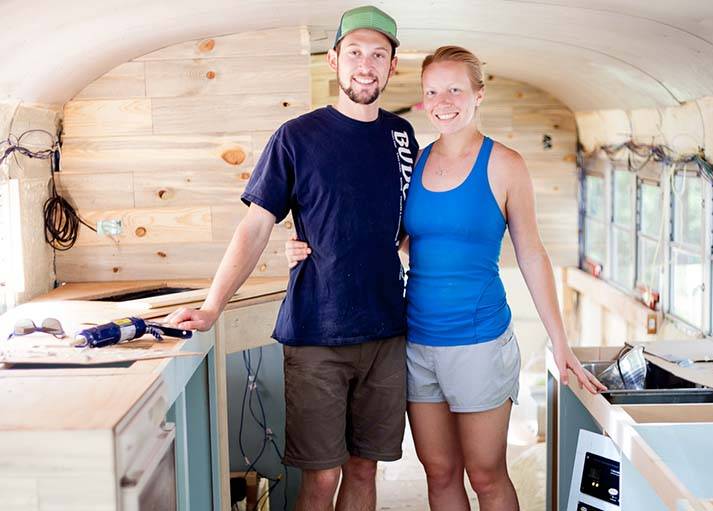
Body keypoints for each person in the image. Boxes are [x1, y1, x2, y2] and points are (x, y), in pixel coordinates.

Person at [286, 45, 605, 510]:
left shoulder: (505, 165)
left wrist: (560, 343)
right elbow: (389, 233)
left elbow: (533, 255)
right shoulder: (414, 162)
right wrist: (300, 244)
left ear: (479, 94)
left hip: (478, 341)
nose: (443, 100)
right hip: (416, 343)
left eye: (455, 89)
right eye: (432, 90)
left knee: (486, 474)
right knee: (439, 473)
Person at [165, 6, 418, 511]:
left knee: (365, 470)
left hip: (388, 330)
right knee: (321, 479)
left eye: (377, 55)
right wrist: (213, 306)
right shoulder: (296, 137)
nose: (365, 65)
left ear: (393, 66)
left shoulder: (402, 138)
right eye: (354, 53)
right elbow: (256, 225)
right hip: (316, 332)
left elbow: (405, 230)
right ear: (333, 61)